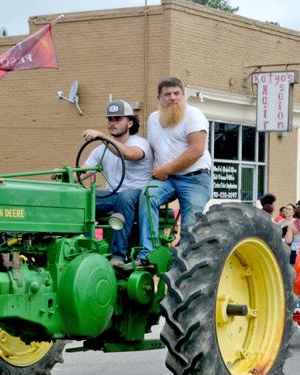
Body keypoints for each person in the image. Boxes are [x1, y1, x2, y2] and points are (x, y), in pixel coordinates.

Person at [136, 77, 212, 262]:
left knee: (191, 221)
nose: (173, 98)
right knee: (147, 196)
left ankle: (186, 261)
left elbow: (196, 150)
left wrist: (165, 169)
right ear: (159, 98)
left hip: (195, 178)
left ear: (183, 95)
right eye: (167, 94)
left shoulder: (194, 115)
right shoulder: (153, 119)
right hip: (167, 178)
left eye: (177, 93)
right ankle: (148, 252)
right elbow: (152, 150)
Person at [82, 100, 154, 265]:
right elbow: (83, 171)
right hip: (112, 196)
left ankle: (119, 256)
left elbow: (129, 154)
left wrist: (102, 137)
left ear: (129, 122)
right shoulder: (101, 149)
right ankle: (83, 249)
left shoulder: (139, 143)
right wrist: (66, 175)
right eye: (110, 120)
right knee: (83, 198)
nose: (112, 123)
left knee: (126, 197)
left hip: (137, 196)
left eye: (117, 119)